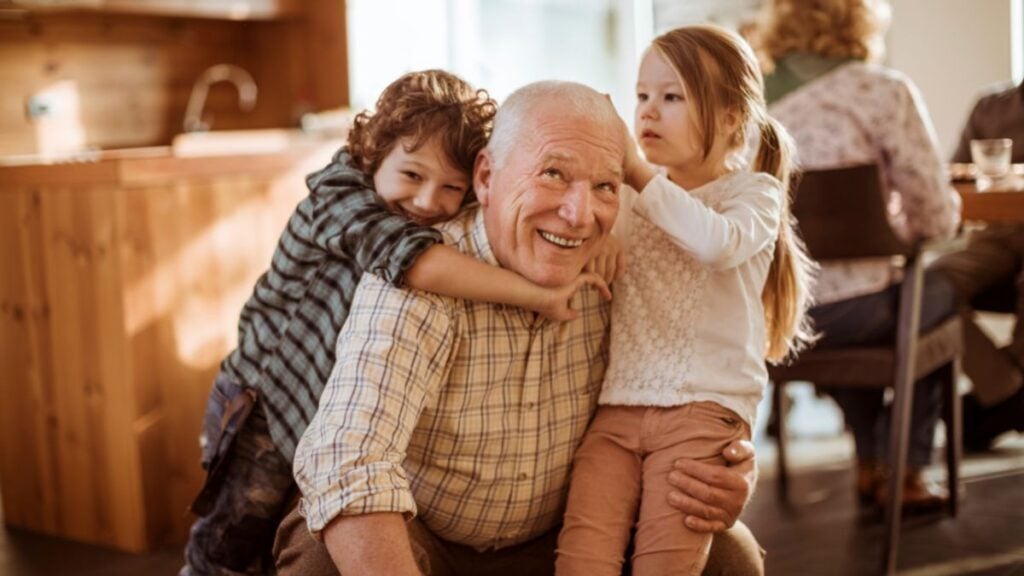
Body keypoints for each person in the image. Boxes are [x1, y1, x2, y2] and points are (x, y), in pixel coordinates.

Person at [274, 81, 765, 576]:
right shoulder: (418, 272)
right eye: (553, 174)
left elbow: (698, 374)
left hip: (564, 536)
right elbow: (349, 459)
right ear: (486, 177)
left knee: (729, 555)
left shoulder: (619, 267)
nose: (579, 216)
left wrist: (726, 460)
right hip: (425, 536)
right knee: (325, 558)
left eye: (605, 187)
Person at [182, 69, 598, 576]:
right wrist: (539, 295)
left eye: (451, 187)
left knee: (281, 539)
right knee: (232, 538)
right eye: (412, 176)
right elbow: (412, 262)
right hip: (265, 401)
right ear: (373, 154)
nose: (427, 201)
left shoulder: (434, 211)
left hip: (321, 409)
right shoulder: (338, 194)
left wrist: (608, 233)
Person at [553, 25, 815, 576]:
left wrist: (637, 174)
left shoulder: (752, 194)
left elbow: (715, 245)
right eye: (642, 95)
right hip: (617, 408)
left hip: (702, 411)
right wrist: (599, 240)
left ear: (730, 117)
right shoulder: (631, 195)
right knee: (581, 558)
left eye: (672, 97)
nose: (648, 111)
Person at [755, 0, 961, 510]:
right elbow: (936, 218)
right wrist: (900, 234)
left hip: (777, 314)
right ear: (861, 21)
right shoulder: (882, 92)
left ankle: (871, 461)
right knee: (938, 296)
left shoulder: (753, 100)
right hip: (862, 310)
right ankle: (904, 467)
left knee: (865, 310)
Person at [932, 79, 1024, 452]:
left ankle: (995, 406)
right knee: (927, 286)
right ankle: (1008, 391)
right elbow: (957, 177)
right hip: (995, 238)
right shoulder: (991, 106)